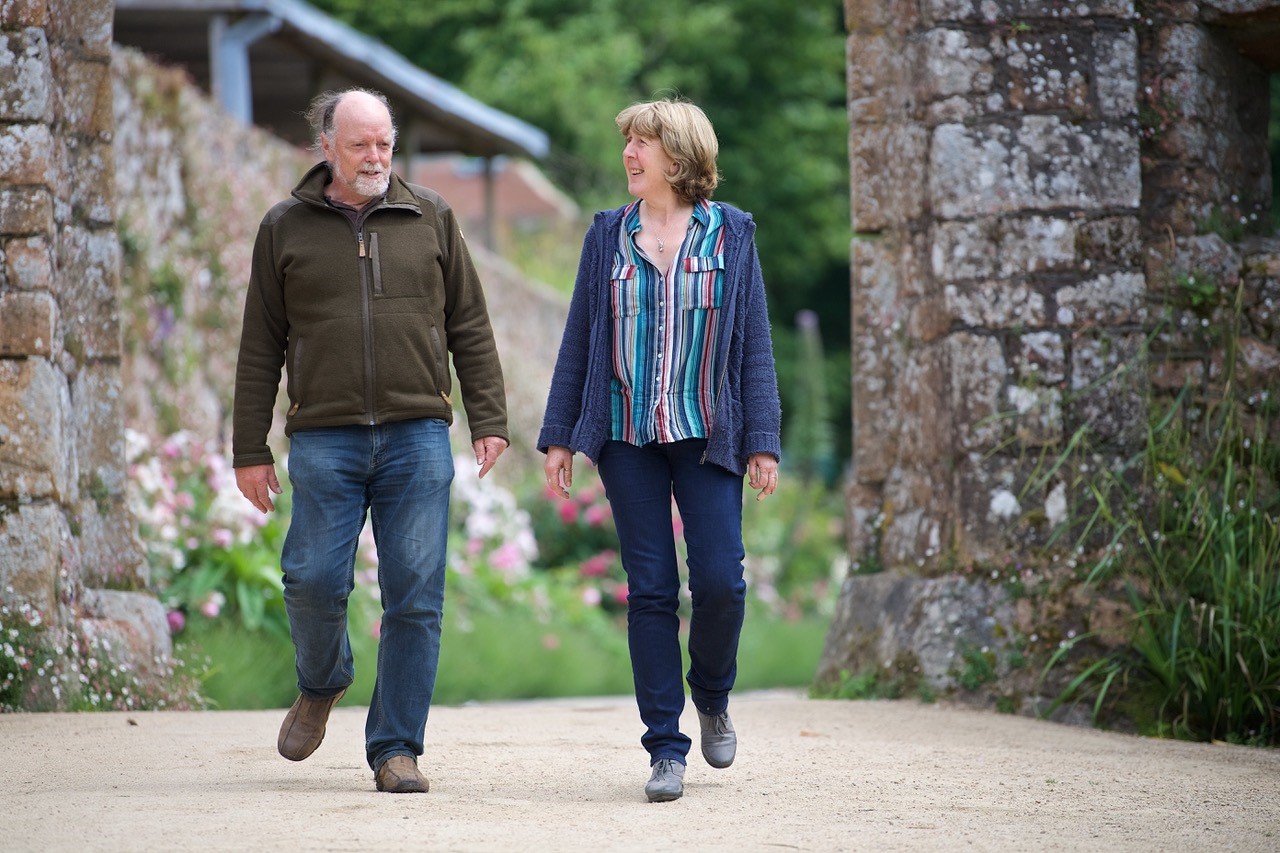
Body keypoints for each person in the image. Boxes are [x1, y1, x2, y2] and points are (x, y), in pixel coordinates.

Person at [232, 88, 508, 794]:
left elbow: (469, 324)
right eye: (361, 144)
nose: (376, 156)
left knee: (416, 595)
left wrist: (489, 417)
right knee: (312, 579)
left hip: (418, 433)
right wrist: (249, 446)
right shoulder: (284, 227)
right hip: (325, 437)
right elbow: (260, 343)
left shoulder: (431, 217)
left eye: (384, 142)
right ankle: (322, 679)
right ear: (326, 145)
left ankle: (396, 748)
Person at [538, 98, 781, 802]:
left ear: (678, 156)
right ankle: (665, 747)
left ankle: (711, 692)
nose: (630, 155)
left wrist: (762, 441)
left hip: (708, 434)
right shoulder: (607, 235)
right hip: (625, 433)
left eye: (642, 143)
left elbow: (755, 347)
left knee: (720, 582)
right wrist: (560, 433)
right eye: (628, 143)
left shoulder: (731, 233)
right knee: (649, 589)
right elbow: (580, 335)